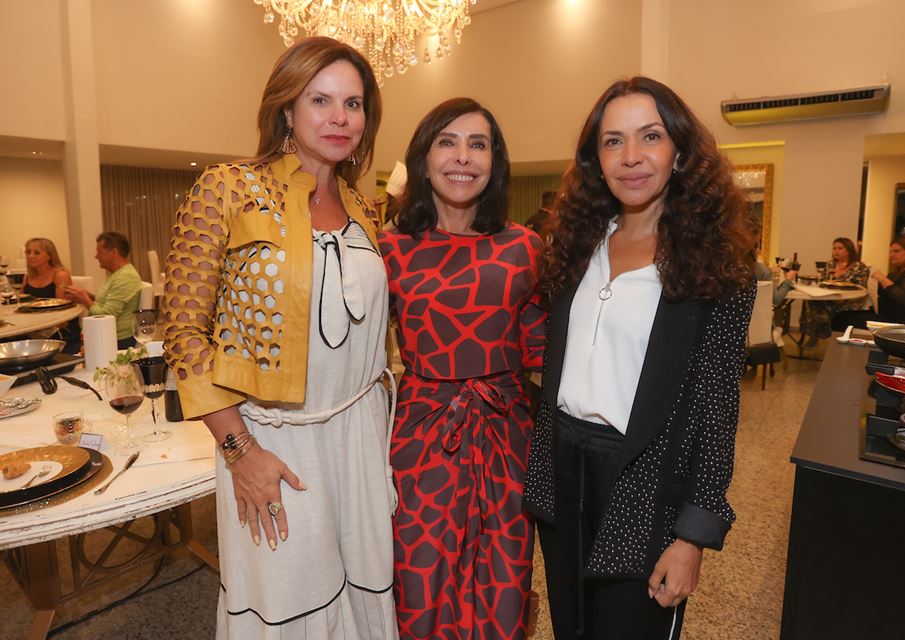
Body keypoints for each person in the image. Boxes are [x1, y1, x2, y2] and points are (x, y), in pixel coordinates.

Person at [161, 37, 398, 639]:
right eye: (321, 100)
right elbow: (183, 333)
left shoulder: (365, 210)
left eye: (354, 103)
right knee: (288, 599)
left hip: (360, 436)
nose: (340, 118)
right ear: (287, 109)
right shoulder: (228, 189)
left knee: (366, 590)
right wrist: (241, 453)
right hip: (271, 442)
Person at [523, 76, 756, 639]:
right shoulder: (577, 245)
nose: (631, 157)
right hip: (564, 468)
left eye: (649, 136)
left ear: (679, 151)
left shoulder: (716, 264)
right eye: (612, 141)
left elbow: (717, 407)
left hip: (646, 480)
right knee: (572, 629)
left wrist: (692, 536)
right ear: (594, 158)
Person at [379, 97, 545, 639]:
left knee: (504, 580)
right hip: (421, 436)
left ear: (495, 161)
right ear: (423, 158)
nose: (462, 157)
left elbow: (548, 350)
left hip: (508, 435)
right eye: (447, 142)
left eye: (478, 144)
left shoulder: (526, 248)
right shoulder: (389, 249)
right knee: (420, 580)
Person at [63, 231, 142, 349]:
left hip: (115, 340)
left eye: (99, 252)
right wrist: (86, 295)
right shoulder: (115, 274)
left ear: (114, 252)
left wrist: (84, 299)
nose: (96, 256)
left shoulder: (125, 277)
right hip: (106, 335)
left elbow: (106, 316)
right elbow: (107, 302)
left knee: (65, 348)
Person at [833, 235, 905, 329]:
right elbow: (886, 293)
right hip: (887, 314)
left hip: (897, 319)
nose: (891, 255)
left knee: (841, 319)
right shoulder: (897, 273)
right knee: (841, 315)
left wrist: (883, 279)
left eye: (896, 251)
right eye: (891, 252)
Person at [801, 237, 870, 347]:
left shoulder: (859, 267)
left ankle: (817, 332)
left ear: (849, 250)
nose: (836, 251)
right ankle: (819, 325)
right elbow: (822, 282)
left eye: (840, 248)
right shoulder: (830, 265)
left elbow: (861, 288)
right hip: (829, 298)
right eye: (834, 248)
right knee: (811, 301)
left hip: (849, 301)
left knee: (821, 311)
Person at [21, 237, 81, 353]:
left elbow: (63, 317)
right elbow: (21, 307)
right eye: (28, 252)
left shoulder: (60, 275)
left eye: (36, 252)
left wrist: (37, 328)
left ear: (49, 256)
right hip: (36, 329)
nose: (31, 256)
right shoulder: (27, 277)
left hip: (61, 331)